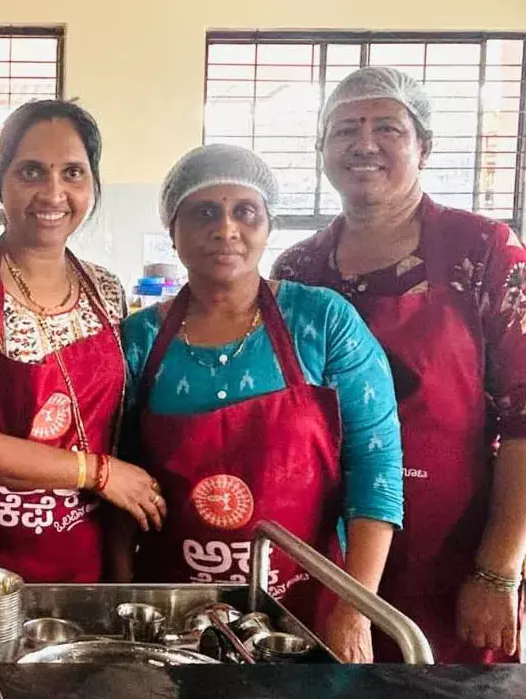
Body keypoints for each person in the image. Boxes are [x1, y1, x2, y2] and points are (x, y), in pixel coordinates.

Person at [273, 66, 526, 663]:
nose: (364, 144)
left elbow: (523, 417)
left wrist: (498, 572)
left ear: (424, 146)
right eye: (344, 130)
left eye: (387, 127)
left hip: (455, 551)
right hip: (327, 555)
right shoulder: (298, 269)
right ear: (321, 151)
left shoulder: (483, 251)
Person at [120, 143, 404, 662]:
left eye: (244, 212)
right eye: (204, 211)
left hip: (305, 609)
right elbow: (119, 485)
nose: (225, 228)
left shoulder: (322, 321)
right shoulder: (138, 339)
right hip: (173, 617)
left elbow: (376, 472)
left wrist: (354, 611)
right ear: (173, 231)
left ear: (268, 226)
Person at [0, 100, 165, 583]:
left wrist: (118, 580)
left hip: (82, 562)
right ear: (1, 182)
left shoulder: (106, 289)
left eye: (72, 172)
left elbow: (115, 434)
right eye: (31, 171)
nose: (53, 192)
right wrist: (97, 473)